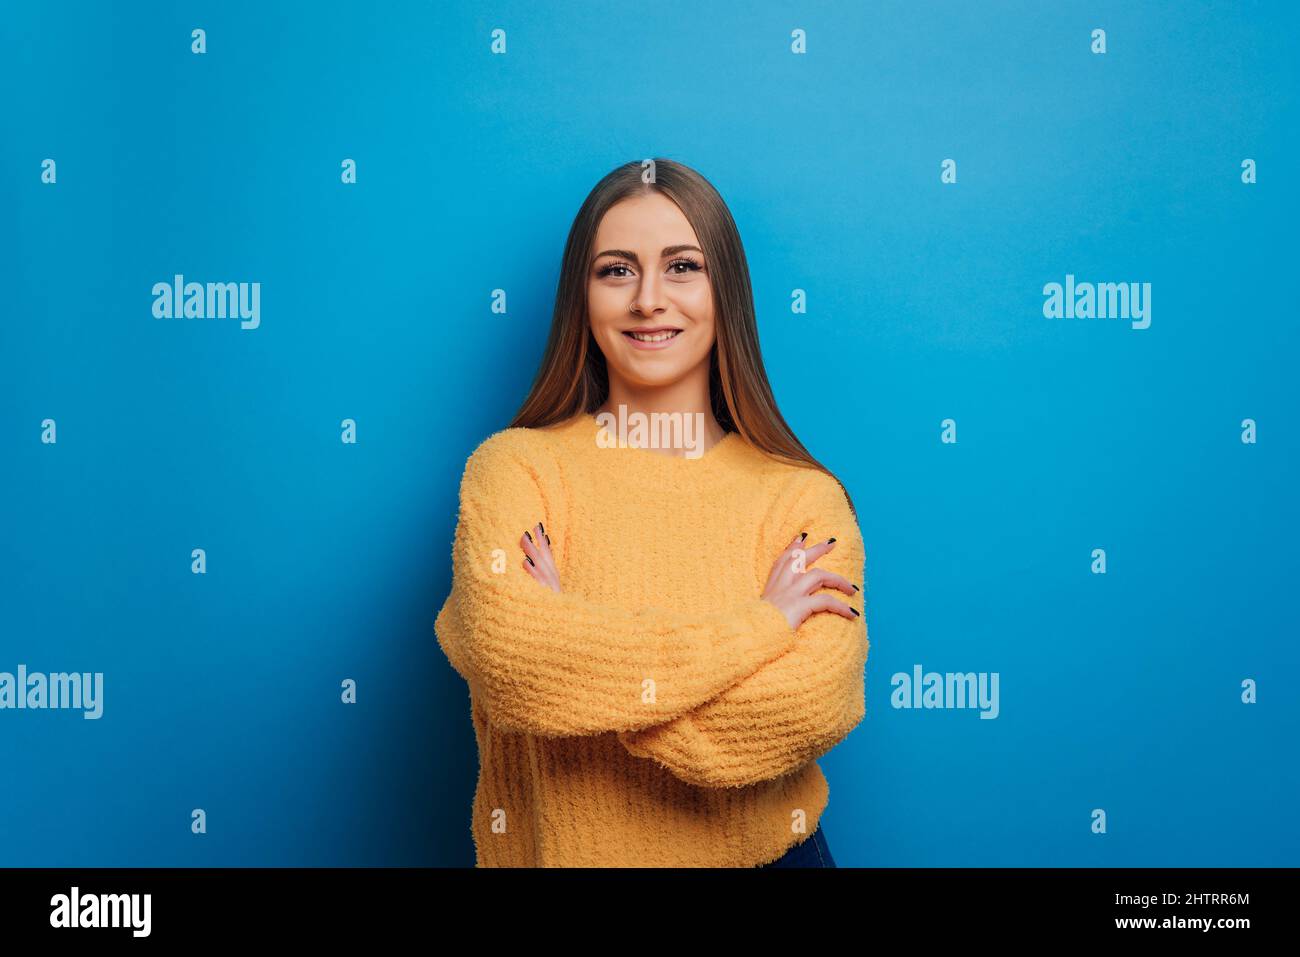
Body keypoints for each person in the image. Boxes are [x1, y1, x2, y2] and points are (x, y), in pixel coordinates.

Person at [435, 157, 868, 867]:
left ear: (723, 290)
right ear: (583, 295)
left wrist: (579, 671)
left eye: (682, 266)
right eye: (616, 270)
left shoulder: (803, 499)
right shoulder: (514, 470)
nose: (648, 299)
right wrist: (759, 628)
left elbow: (807, 708)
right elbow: (511, 661)